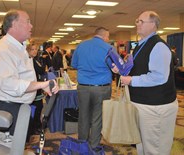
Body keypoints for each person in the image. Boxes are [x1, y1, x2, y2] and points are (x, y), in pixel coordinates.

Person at [0, 9, 59, 135]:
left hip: (19, 106)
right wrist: (42, 84)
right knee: (8, 149)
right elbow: (9, 83)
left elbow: (25, 77)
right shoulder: (3, 49)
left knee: (20, 146)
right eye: (28, 22)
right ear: (14, 25)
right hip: (7, 108)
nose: (31, 26)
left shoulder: (19, 48)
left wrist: (40, 88)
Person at [120, 11, 178, 155]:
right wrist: (121, 68)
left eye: (141, 21)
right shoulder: (140, 45)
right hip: (143, 104)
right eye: (137, 20)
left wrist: (131, 80)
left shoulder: (158, 46)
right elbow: (137, 68)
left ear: (153, 25)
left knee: (155, 148)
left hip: (156, 106)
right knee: (143, 145)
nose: (137, 24)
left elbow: (159, 77)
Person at [71, 27, 118, 152]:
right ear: (104, 36)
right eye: (107, 37)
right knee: (98, 116)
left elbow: (74, 65)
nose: (108, 39)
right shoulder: (108, 48)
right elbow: (116, 66)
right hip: (101, 88)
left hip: (83, 87)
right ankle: (93, 146)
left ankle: (82, 143)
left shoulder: (81, 46)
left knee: (83, 115)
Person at [27, 43, 46, 135]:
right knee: (36, 109)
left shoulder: (34, 60)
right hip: (32, 88)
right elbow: (41, 70)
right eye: (32, 49)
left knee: (39, 108)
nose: (35, 51)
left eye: (36, 49)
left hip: (37, 87)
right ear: (28, 50)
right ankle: (34, 128)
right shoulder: (28, 60)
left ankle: (37, 126)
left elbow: (41, 70)